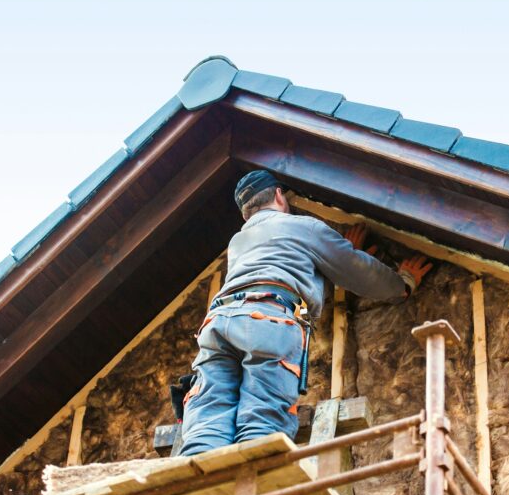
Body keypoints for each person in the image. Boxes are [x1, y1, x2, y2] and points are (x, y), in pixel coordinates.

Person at [178, 169, 432, 456]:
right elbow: (355, 268)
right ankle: (255, 479)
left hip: (218, 323)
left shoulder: (238, 242)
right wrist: (402, 284)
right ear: (278, 195)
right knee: (262, 416)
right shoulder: (304, 227)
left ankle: (195, 474)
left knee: (209, 413)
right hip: (268, 320)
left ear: (246, 215)